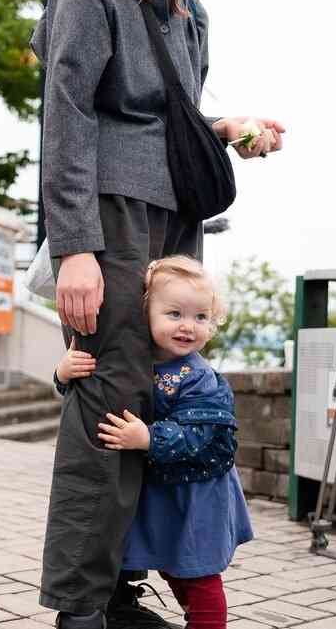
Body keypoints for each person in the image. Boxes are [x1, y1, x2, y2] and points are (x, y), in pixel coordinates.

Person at [30, 0, 284, 629]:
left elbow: (162, 121)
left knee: (154, 403)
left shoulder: (188, 10)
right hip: (109, 217)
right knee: (106, 403)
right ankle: (81, 606)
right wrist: (75, 245)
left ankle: (119, 586)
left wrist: (227, 128)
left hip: (176, 218)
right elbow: (67, 115)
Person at [55, 256, 253, 629]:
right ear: (145, 312)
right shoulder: (133, 359)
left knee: (197, 574)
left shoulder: (199, 378)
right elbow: (87, 393)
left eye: (200, 317)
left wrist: (149, 437)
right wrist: (62, 374)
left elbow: (208, 437)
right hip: (164, 494)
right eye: (174, 313)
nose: (187, 327)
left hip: (197, 496)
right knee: (172, 567)